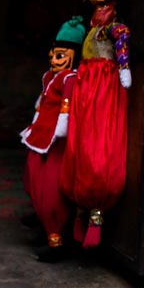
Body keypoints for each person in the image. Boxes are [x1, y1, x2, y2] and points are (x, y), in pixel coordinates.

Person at [61, 0, 131, 249]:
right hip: (87, 86)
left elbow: (122, 46)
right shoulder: (92, 26)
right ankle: (79, 209)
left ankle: (95, 212)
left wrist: (124, 69)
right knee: (81, 142)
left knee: (99, 144)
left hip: (103, 87)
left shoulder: (116, 27)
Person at [21, 16, 86, 262]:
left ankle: (56, 240)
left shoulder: (70, 79)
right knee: (33, 179)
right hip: (39, 135)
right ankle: (42, 222)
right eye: (53, 54)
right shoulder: (50, 77)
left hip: (56, 140)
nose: (53, 59)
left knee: (51, 191)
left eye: (61, 55)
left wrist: (61, 130)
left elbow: (67, 110)